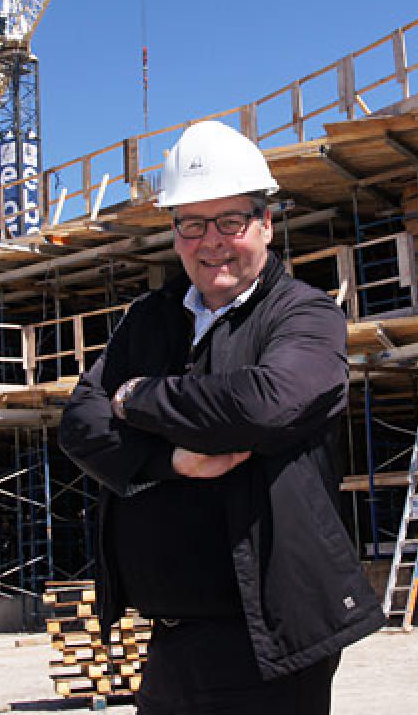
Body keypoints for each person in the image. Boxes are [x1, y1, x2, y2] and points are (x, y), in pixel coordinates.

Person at [58, 120, 386, 714]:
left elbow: (265, 403)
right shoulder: (150, 318)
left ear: (265, 223)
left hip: (268, 634)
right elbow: (80, 422)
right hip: (173, 633)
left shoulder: (305, 316)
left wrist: (136, 398)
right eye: (191, 224)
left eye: (230, 221)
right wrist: (170, 461)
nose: (211, 241)